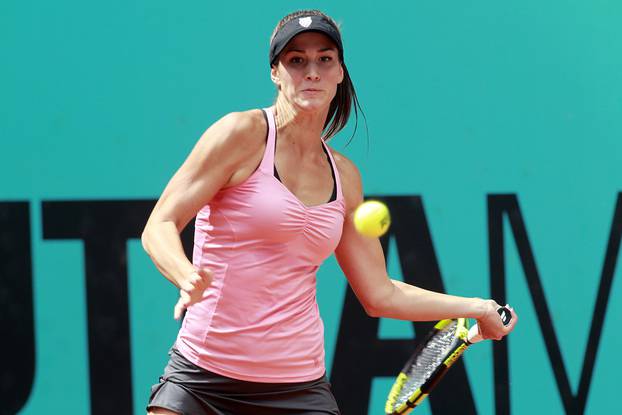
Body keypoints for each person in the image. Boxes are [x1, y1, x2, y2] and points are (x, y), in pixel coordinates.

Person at [141, 9, 518, 415]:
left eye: (325, 59)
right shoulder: (241, 134)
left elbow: (380, 294)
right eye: (296, 60)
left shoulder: (346, 177)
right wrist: (185, 274)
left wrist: (476, 307)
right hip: (203, 376)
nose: (312, 72)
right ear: (275, 72)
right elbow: (159, 225)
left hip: (298, 386)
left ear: (340, 72)